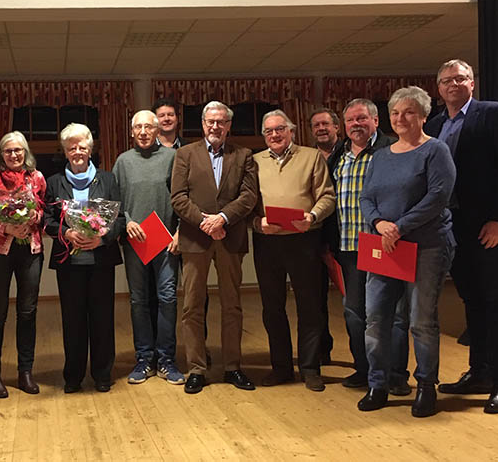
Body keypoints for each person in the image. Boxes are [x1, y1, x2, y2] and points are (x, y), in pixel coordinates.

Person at [357, 86, 456, 417]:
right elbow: (366, 197)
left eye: (409, 112)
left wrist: (400, 226)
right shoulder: (381, 155)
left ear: (424, 116)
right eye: (395, 112)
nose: (400, 118)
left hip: (426, 246)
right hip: (383, 247)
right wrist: (380, 223)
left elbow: (438, 197)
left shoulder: (435, 151)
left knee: (421, 321)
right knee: (375, 318)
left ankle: (427, 386)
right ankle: (378, 383)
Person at [427, 59, 498, 414]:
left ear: (472, 83)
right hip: (453, 226)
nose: (454, 84)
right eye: (447, 80)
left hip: (489, 226)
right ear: (438, 89)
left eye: (461, 78)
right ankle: (478, 372)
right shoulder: (434, 125)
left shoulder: (494, 114)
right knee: (472, 301)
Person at [171, 101, 258, 394]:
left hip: (230, 238)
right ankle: (196, 368)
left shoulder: (244, 155)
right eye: (210, 121)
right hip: (195, 239)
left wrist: (222, 218)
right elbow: (178, 197)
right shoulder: (185, 154)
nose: (215, 127)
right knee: (192, 305)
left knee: (232, 305)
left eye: (221, 122)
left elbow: (249, 196)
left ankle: (233, 366)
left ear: (229, 125)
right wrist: (205, 222)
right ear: (203, 123)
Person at [326, 99, 411, 394]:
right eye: (350, 121)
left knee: (394, 314)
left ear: (376, 120)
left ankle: (397, 374)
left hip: (385, 245)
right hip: (349, 247)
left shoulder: (391, 149)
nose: (356, 124)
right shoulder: (339, 155)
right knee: (355, 313)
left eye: (362, 118)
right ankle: (365, 369)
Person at [250, 109, 336, 391]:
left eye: (280, 129)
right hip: (268, 241)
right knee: (272, 308)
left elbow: (327, 195)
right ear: (264, 136)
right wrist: (257, 222)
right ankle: (281, 367)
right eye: (269, 131)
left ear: (291, 131)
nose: (274, 135)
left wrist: (312, 216)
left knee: (309, 305)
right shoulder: (254, 161)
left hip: (304, 240)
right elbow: (247, 202)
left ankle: (310, 367)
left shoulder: (311, 157)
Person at [43, 123, 124, 393]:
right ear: (65, 152)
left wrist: (102, 238)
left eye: (82, 147)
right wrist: (66, 232)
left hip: (101, 259)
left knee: (102, 318)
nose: (77, 152)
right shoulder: (54, 182)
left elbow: (120, 220)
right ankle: (73, 376)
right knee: (73, 320)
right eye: (71, 148)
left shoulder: (108, 179)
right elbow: (46, 219)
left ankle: (102, 374)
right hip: (70, 261)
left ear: (90, 150)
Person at [113, 110, 184, 385]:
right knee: (138, 301)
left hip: (166, 242)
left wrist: (179, 231)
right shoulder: (123, 161)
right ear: (131, 132)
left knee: (167, 298)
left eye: (148, 127)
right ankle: (144, 358)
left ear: (157, 131)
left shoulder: (171, 158)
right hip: (135, 243)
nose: (143, 132)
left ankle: (167, 359)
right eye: (138, 127)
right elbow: (115, 200)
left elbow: (181, 196)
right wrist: (127, 222)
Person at [0, 131, 46, 398]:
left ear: (25, 152)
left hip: (29, 249)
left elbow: (42, 211)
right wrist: (6, 227)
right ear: (0, 154)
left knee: (28, 312)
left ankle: (25, 371)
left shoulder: (36, 177)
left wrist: (31, 217)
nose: (14, 155)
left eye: (18, 150)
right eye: (8, 151)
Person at [309, 107, 341, 364]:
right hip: (315, 238)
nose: (321, 129)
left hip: (346, 237)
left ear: (336, 128)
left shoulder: (348, 154)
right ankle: (322, 350)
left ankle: (364, 358)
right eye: (316, 125)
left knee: (354, 300)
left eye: (325, 124)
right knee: (315, 299)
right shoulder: (307, 158)